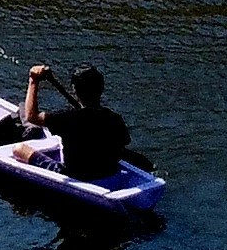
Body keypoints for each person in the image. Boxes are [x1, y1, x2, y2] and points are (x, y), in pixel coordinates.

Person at [8, 65, 146, 182]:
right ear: (101, 89)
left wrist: (33, 80)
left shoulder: (67, 118)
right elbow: (124, 143)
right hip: (108, 173)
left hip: (74, 175)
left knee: (19, 149)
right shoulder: (115, 118)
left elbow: (31, 116)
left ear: (75, 90)